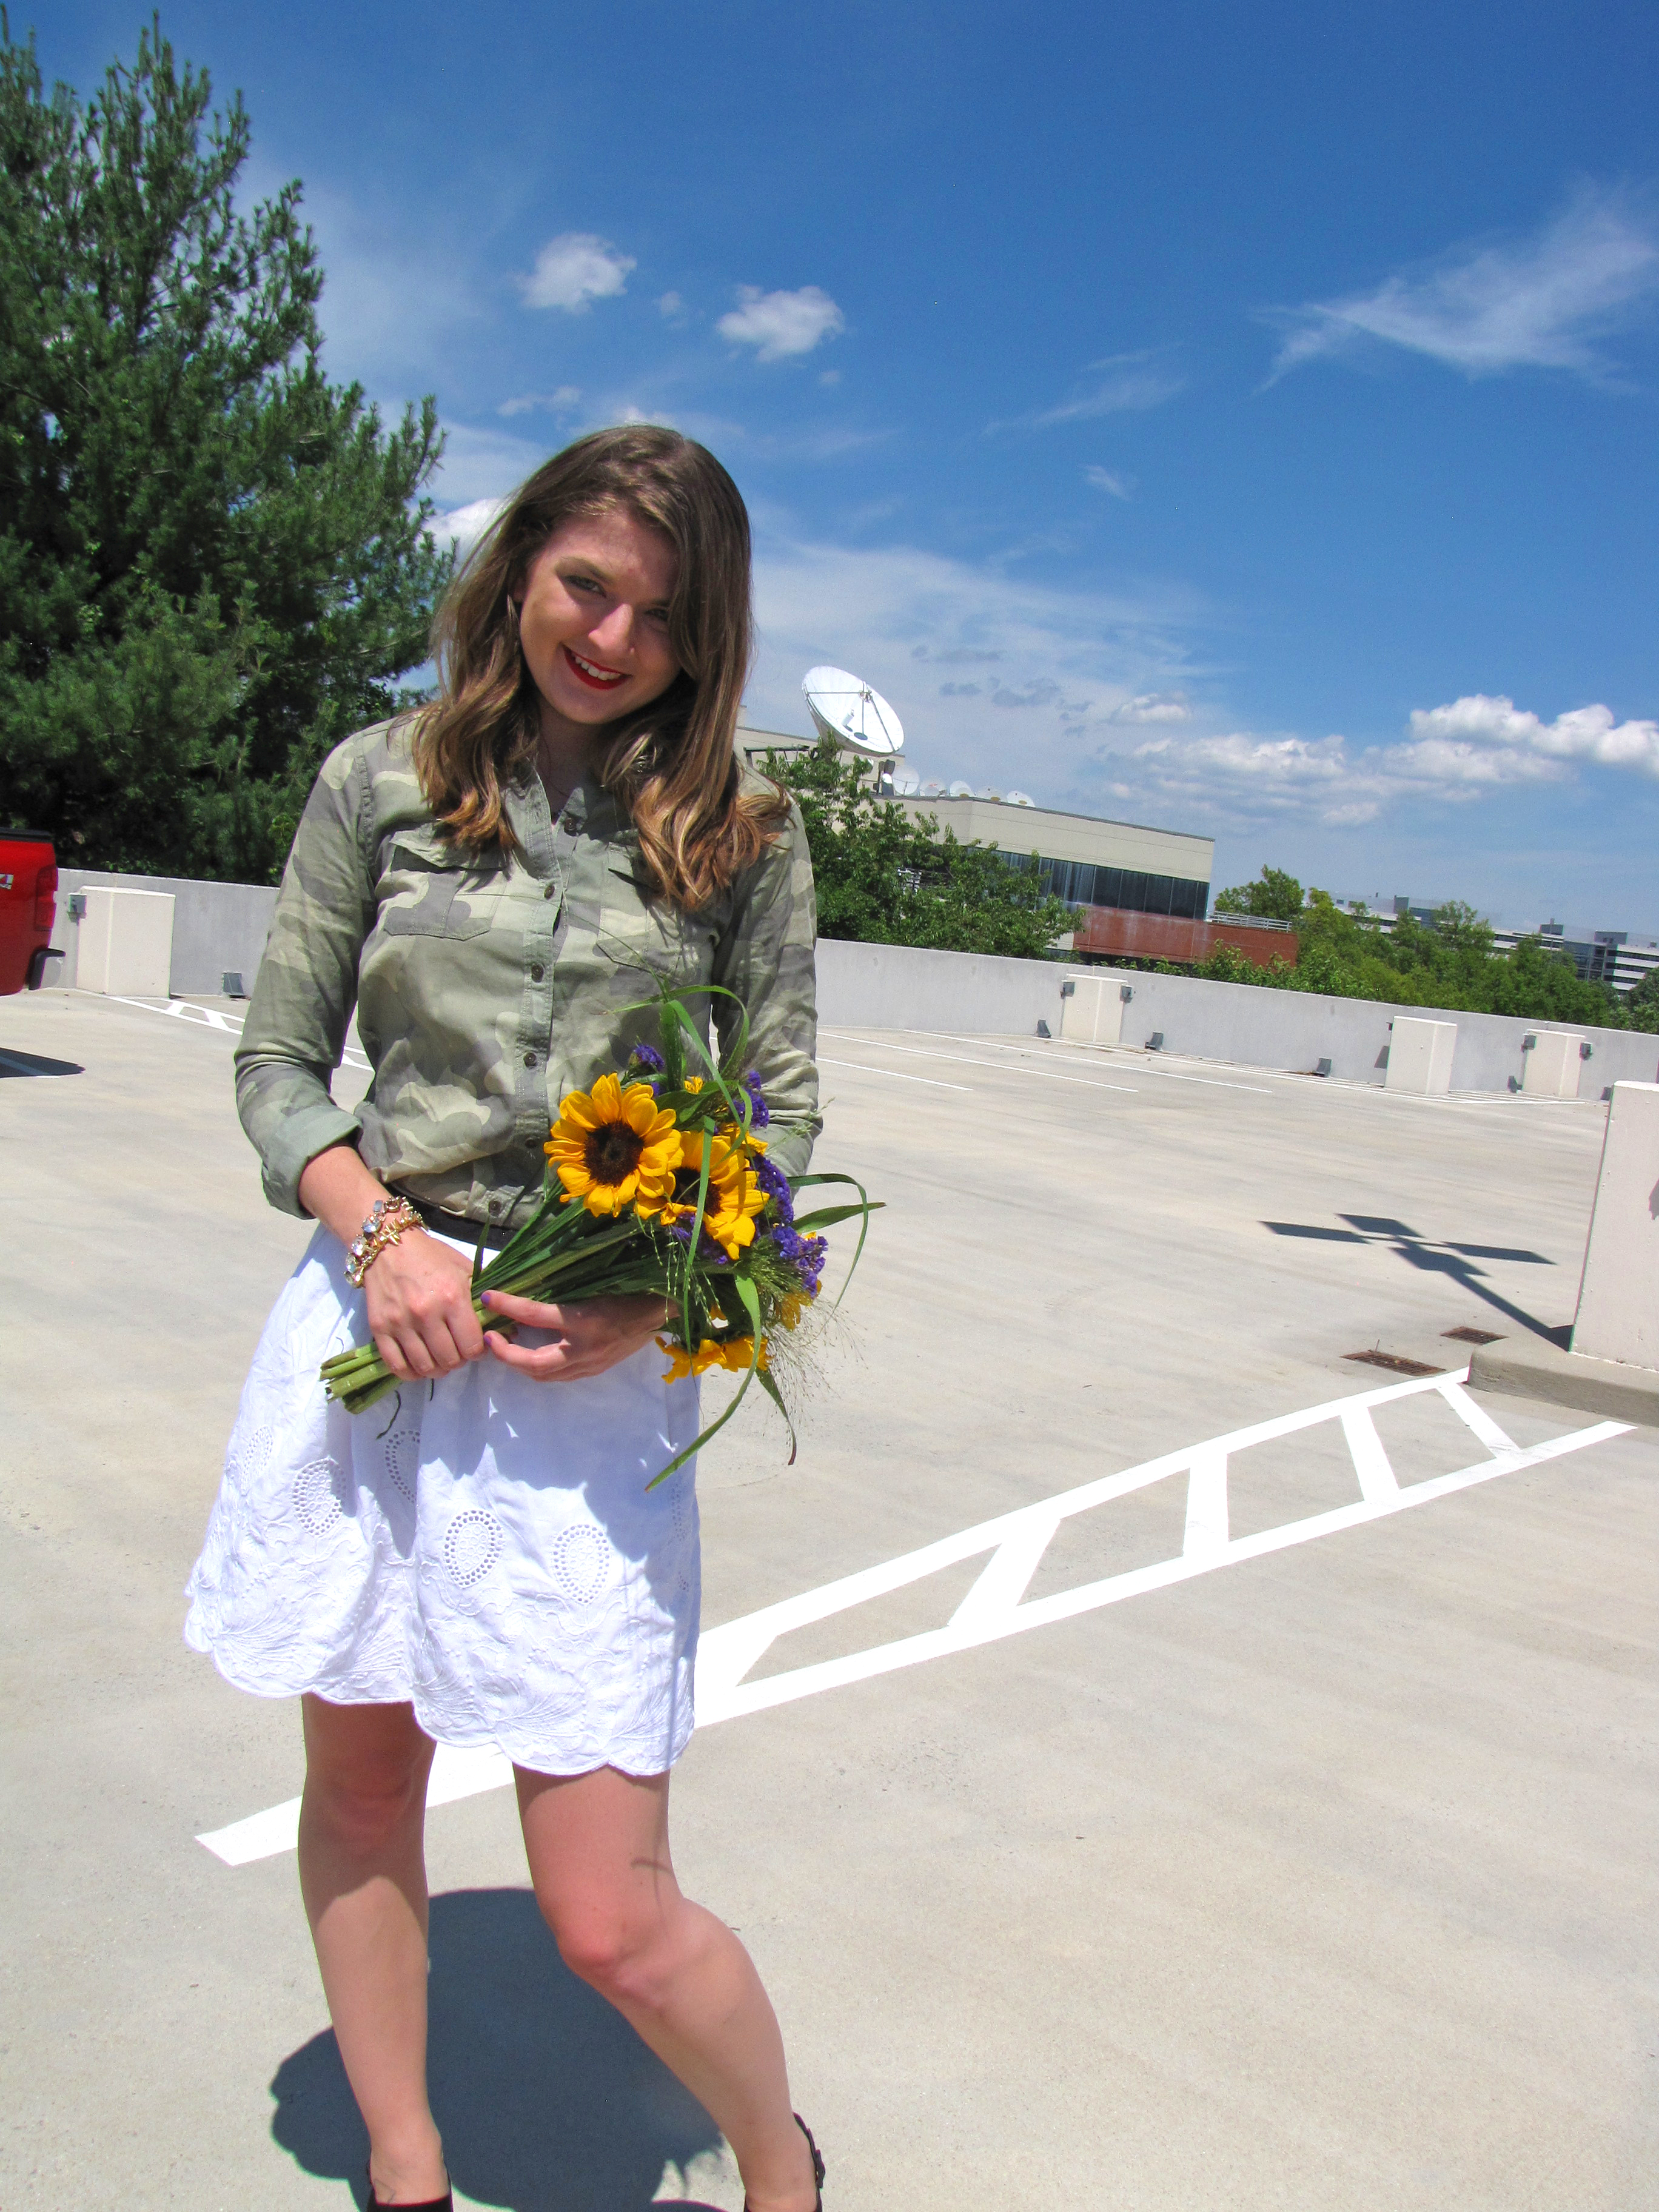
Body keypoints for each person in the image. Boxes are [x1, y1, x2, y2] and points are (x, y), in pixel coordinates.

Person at [185, 426, 825, 2211]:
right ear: (521, 565)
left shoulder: (746, 830)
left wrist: (657, 1295)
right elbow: (275, 1067)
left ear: (710, 638)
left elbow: (781, 1109)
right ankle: (404, 2167)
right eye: (585, 586)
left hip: (586, 1380)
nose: (612, 638)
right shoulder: (379, 780)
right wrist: (383, 1236)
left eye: (662, 614)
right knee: (362, 1794)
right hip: (377, 1333)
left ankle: (781, 2171)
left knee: (610, 1914)